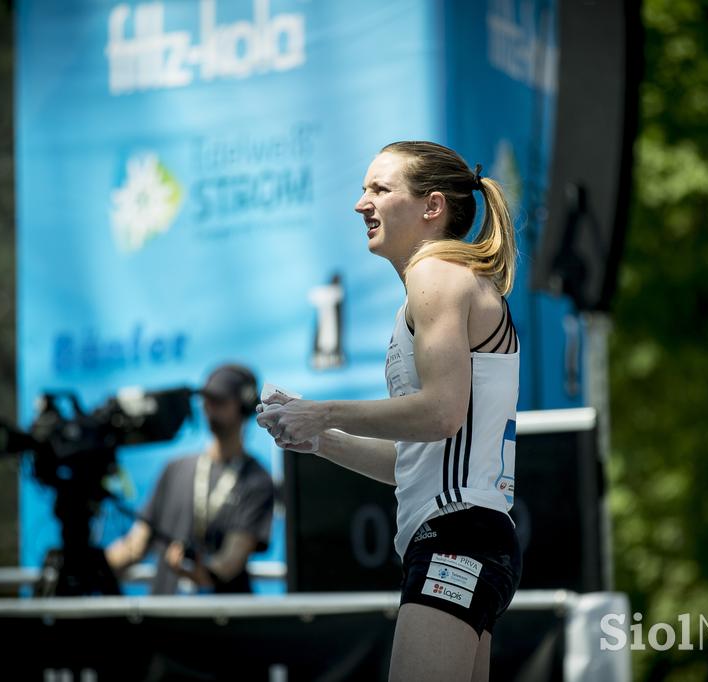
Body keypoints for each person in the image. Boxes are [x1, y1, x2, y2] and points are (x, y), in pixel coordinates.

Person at [257, 141, 522, 682]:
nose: (361, 204)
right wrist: (318, 435)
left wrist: (323, 410)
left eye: (379, 188)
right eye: (362, 189)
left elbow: (442, 414)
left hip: (458, 538)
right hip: (466, 539)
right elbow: (415, 460)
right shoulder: (438, 282)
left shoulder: (438, 274)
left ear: (432, 207)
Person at [105, 363, 275, 595]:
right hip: (163, 619)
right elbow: (135, 546)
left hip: (221, 622)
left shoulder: (257, 480)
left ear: (244, 406)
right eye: (206, 399)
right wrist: (89, 566)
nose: (209, 407)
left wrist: (199, 572)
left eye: (220, 400)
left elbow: (228, 564)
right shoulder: (174, 469)